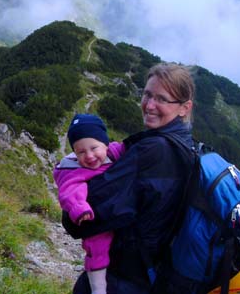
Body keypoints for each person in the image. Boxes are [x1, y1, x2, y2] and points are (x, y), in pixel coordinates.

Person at [64, 63, 196, 294]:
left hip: (123, 278)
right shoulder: (185, 145)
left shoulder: (153, 151)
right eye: (147, 94)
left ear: (185, 108)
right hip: (152, 276)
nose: (150, 105)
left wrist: (71, 190)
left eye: (162, 99)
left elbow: (83, 218)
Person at [53, 114, 125, 294]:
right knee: (97, 250)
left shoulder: (116, 152)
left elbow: (132, 149)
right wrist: (80, 208)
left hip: (117, 219)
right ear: (75, 154)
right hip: (93, 221)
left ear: (106, 144)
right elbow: (69, 191)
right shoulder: (73, 170)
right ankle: (98, 289)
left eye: (94, 148)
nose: (90, 156)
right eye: (81, 152)